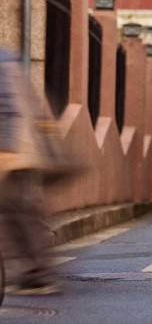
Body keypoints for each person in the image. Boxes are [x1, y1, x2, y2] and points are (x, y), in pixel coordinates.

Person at [0, 48, 62, 295]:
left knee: (14, 213)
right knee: (20, 212)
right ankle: (36, 273)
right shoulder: (7, 58)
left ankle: (36, 275)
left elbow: (7, 108)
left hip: (12, 151)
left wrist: (5, 149)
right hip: (19, 149)